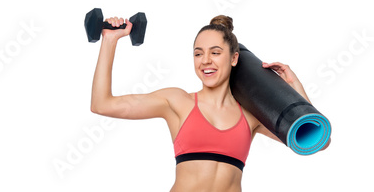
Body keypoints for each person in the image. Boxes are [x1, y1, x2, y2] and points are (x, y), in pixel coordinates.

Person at [90, 14, 330, 192]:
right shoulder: (177, 101)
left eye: (215, 52)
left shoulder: (252, 115)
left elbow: (318, 141)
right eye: (198, 53)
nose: (205, 61)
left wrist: (293, 87)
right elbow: (102, 104)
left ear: (234, 58)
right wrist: (110, 41)